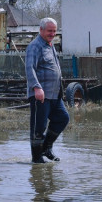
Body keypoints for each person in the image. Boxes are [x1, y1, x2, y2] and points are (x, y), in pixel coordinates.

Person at [25, 17, 69, 164]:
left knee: (63, 118)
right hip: (41, 95)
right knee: (39, 127)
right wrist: (37, 87)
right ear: (41, 30)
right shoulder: (35, 46)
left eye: (54, 31)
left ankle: (46, 147)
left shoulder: (50, 45)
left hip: (55, 94)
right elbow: (29, 68)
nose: (52, 34)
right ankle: (37, 159)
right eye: (49, 31)